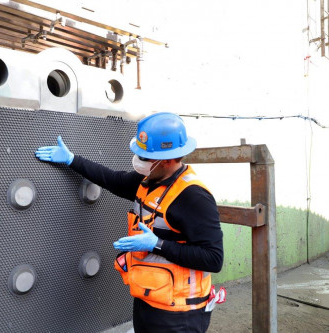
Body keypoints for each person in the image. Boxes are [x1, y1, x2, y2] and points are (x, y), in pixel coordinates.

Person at [35, 112, 223, 333]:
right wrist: (72, 160)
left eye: (146, 157)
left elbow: (213, 259)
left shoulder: (193, 198)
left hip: (180, 315)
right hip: (148, 300)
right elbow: (112, 179)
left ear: (169, 159)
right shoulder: (148, 180)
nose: (139, 161)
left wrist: (157, 244)